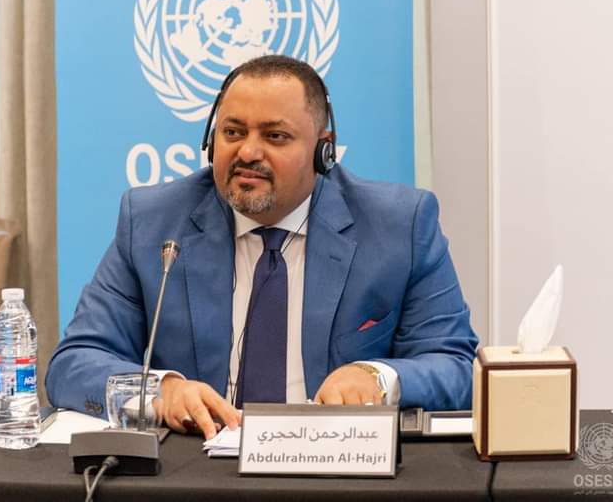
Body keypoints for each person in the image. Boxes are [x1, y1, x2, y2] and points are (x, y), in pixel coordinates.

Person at [46, 55, 479, 439]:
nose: (248, 152)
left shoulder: (399, 225)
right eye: (233, 132)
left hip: (339, 470)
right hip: (195, 471)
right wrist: (161, 391)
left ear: (323, 151)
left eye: (275, 136)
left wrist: (378, 377)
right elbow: (75, 363)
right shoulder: (153, 222)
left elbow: (457, 366)